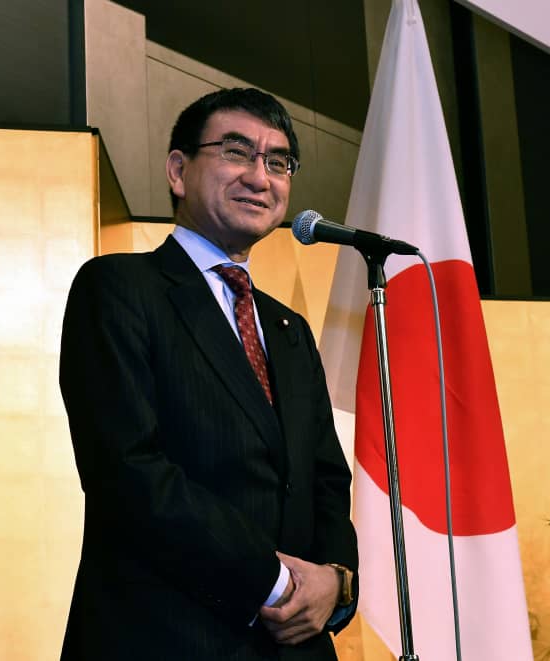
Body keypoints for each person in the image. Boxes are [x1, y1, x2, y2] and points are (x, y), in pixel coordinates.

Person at [58, 87, 358, 660]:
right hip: (167, 636)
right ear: (178, 170)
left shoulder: (290, 329)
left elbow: (326, 479)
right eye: (237, 152)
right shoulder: (119, 288)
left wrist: (337, 581)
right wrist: (278, 585)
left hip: (297, 648)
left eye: (278, 162)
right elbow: (130, 472)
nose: (260, 176)